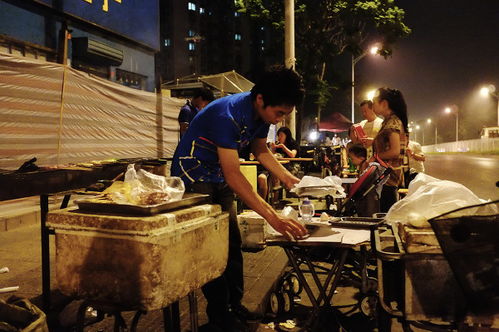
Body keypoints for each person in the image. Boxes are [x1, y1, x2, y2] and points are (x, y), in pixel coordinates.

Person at [171, 65, 308, 332]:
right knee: (212, 247)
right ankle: (220, 315)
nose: (279, 120)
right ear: (260, 99)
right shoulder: (229, 113)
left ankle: (235, 305)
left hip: (218, 175)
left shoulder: (260, 116)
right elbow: (235, 175)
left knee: (232, 242)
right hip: (194, 174)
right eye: (279, 113)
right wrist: (272, 216)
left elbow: (259, 150)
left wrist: (289, 178)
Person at [371, 87, 408, 213]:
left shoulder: (393, 123)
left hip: (388, 178)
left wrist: (375, 157)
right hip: (386, 177)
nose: (372, 106)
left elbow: (395, 151)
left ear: (384, 103)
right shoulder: (389, 121)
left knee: (385, 215)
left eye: (374, 102)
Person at [258, 126, 299, 201]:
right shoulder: (277, 144)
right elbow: (273, 156)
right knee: (273, 171)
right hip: (278, 165)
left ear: (287, 136)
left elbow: (292, 155)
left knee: (275, 172)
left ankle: (275, 197)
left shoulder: (292, 143)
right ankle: (274, 197)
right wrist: (272, 149)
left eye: (281, 135)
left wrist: (283, 147)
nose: (279, 138)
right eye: (278, 135)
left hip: (289, 166)